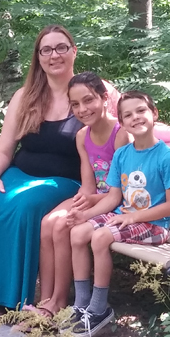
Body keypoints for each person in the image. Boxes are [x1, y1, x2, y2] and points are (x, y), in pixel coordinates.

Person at [0, 25, 170, 327]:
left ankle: (3, 299)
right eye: (46, 50)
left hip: (64, 181)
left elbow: (128, 120)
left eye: (61, 47)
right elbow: (4, 149)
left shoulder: (93, 88)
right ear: (38, 57)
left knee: (23, 208)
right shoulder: (25, 96)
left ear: (73, 51)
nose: (54, 55)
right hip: (19, 173)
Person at [66, 91, 170, 337]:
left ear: (154, 114)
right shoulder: (122, 154)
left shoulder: (166, 156)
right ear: (122, 121)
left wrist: (132, 217)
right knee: (77, 233)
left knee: (100, 237)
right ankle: (81, 304)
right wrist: (85, 216)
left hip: (154, 225)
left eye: (141, 110)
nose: (136, 117)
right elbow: (112, 197)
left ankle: (99, 310)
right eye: (128, 115)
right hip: (124, 216)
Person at [24, 71, 130, 318]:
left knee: (62, 226)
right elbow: (88, 184)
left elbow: (123, 192)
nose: (82, 109)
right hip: (99, 199)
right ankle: (47, 299)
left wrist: (87, 209)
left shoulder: (121, 135)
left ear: (105, 99)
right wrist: (81, 202)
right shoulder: (83, 136)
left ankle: (59, 302)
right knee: (49, 222)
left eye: (89, 100)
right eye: (75, 104)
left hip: (120, 203)